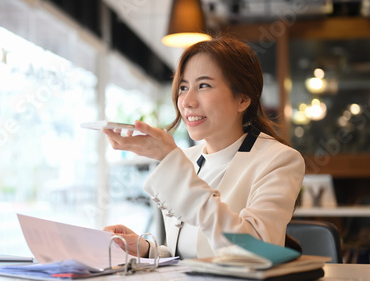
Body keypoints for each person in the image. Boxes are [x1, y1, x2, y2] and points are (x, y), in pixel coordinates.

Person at [102, 36, 305, 260]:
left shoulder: (280, 160)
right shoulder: (187, 159)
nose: (187, 101)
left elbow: (254, 250)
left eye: (204, 85)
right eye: (183, 87)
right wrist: (146, 250)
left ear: (243, 98)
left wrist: (171, 161)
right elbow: (190, 252)